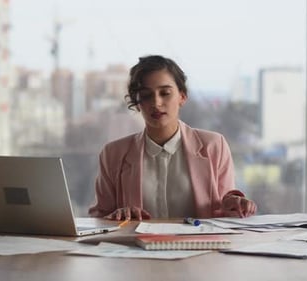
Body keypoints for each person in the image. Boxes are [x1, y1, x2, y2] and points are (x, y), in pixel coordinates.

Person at [88, 55, 257, 221]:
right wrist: (116, 216)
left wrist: (235, 205)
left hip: (199, 247)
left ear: (182, 97)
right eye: (146, 95)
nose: (156, 102)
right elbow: (99, 218)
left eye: (165, 93)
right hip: (136, 246)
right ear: (137, 103)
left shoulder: (214, 146)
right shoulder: (113, 154)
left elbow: (225, 212)